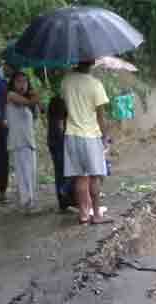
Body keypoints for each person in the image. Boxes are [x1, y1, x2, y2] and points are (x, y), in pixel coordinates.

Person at [61, 60, 112, 225]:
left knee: (80, 177)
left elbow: (65, 106)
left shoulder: (66, 81)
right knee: (95, 176)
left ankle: (83, 215)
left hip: (71, 134)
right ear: (92, 63)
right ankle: (96, 215)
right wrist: (105, 137)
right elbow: (101, 116)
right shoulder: (95, 84)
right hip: (90, 136)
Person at [6, 71, 41, 215]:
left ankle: (30, 202)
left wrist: (36, 101)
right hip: (18, 141)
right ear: (13, 83)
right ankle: (26, 203)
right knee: (23, 173)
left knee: (31, 173)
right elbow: (28, 101)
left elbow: (38, 111)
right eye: (19, 81)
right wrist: (36, 97)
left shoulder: (28, 102)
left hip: (29, 141)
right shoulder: (11, 95)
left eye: (25, 82)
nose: (22, 84)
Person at [46, 81, 75, 211]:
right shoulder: (61, 103)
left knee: (59, 171)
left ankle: (62, 202)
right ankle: (65, 194)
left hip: (52, 140)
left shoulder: (54, 101)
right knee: (68, 170)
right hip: (60, 141)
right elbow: (60, 125)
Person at [0, 63, 15, 204]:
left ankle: (2, 190)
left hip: (7, 123)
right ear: (6, 64)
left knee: (4, 156)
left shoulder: (11, 79)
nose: (14, 70)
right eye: (12, 67)